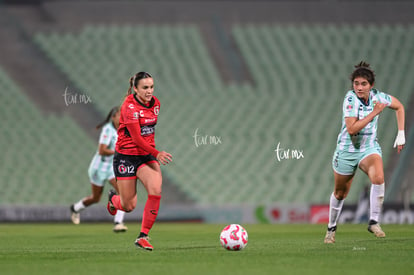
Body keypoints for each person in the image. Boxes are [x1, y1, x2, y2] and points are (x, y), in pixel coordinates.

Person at [324, 61, 405, 243]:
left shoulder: (378, 97)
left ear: (371, 86)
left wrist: (401, 134)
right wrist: (374, 113)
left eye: (363, 84)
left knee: (378, 177)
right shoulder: (350, 99)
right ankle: (331, 228)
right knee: (340, 193)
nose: (359, 88)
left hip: (368, 148)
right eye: (356, 84)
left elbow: (399, 106)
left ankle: (374, 221)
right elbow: (352, 129)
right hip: (347, 150)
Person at [107, 72, 172, 251]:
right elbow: (136, 138)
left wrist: (152, 153)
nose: (149, 91)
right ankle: (113, 199)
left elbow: (147, 133)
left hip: (146, 155)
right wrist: (157, 153)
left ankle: (143, 236)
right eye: (145, 88)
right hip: (126, 156)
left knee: (156, 190)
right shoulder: (129, 106)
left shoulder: (156, 104)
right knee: (128, 206)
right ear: (135, 89)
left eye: (151, 87)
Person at [70, 106, 128, 233]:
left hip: (112, 169)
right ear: (113, 117)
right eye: (120, 116)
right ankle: (75, 208)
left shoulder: (124, 131)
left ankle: (118, 222)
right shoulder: (108, 129)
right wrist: (118, 152)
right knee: (95, 198)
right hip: (98, 168)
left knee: (124, 193)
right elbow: (102, 150)